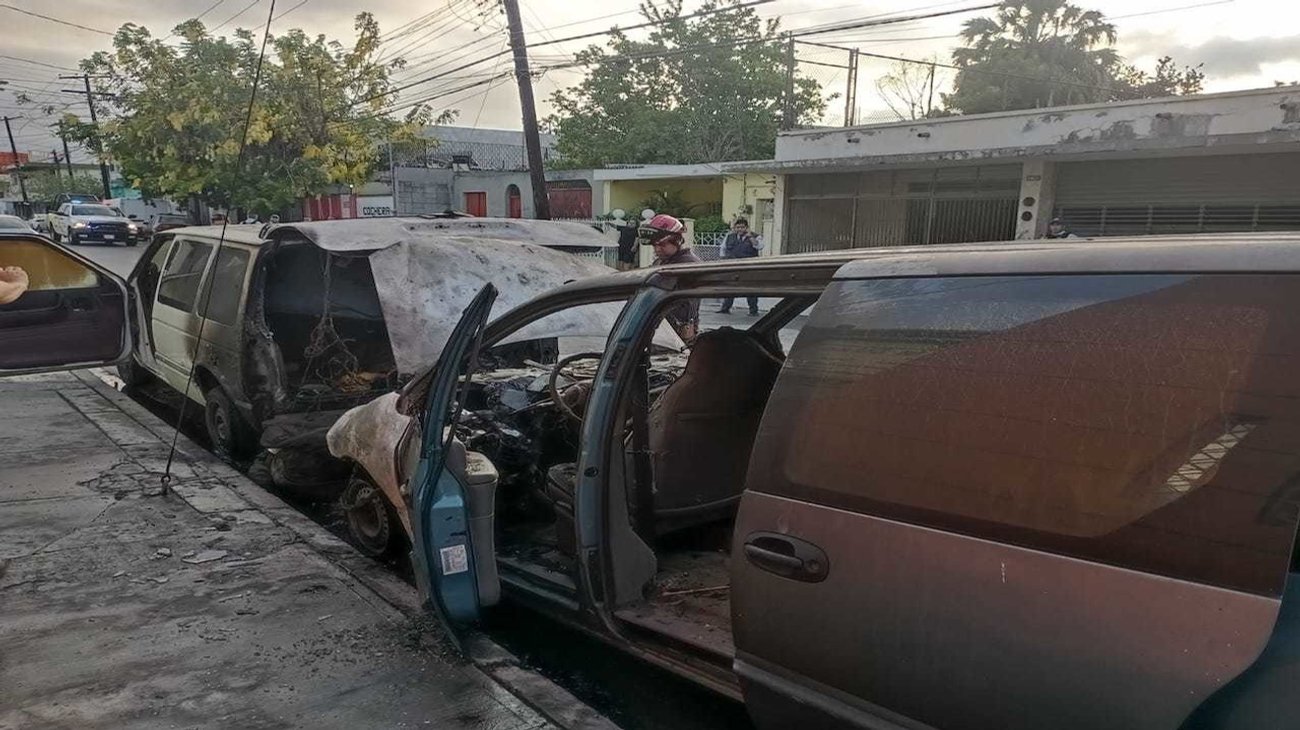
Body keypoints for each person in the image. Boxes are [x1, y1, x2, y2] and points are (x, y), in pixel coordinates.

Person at [640, 213, 701, 340]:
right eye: (654, 245)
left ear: (677, 241)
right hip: (661, 329)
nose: (657, 249)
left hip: (678, 333)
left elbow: (688, 304)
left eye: (662, 245)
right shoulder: (661, 262)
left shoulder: (687, 264)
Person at [718, 217, 763, 315]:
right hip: (733, 266)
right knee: (730, 287)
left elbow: (759, 246)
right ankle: (725, 308)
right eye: (738, 227)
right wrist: (723, 261)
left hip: (749, 267)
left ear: (746, 228)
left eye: (742, 227)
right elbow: (723, 249)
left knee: (750, 289)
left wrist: (750, 237)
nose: (740, 229)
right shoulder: (730, 236)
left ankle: (753, 310)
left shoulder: (755, 236)